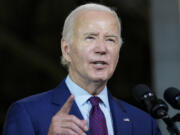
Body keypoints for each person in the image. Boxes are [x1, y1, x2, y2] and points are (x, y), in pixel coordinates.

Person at [3, 3, 162, 135]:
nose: (102, 48)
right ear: (66, 50)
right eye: (90, 37)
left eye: (110, 39)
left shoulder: (143, 123)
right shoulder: (27, 113)